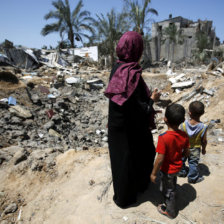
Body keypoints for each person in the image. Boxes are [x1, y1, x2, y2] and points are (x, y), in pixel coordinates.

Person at [104, 31, 161, 208]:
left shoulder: (117, 68)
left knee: (121, 161)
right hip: (131, 127)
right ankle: (136, 189)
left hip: (117, 126)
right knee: (143, 154)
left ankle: (123, 197)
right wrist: (153, 99)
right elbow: (141, 109)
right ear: (137, 49)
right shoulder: (132, 74)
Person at [150, 104, 189, 219]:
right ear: (182, 121)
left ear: (165, 119)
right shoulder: (184, 135)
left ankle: (170, 212)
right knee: (171, 182)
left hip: (168, 169)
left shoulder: (164, 138)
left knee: (169, 191)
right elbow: (187, 152)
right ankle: (169, 190)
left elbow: (160, 158)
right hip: (178, 167)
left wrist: (153, 173)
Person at [178, 101, 208, 184]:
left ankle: (182, 172)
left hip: (184, 148)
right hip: (195, 149)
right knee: (193, 163)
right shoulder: (203, 127)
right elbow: (204, 140)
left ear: (189, 113)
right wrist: (203, 149)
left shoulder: (183, 124)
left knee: (182, 160)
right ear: (202, 113)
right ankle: (192, 177)